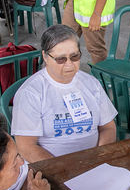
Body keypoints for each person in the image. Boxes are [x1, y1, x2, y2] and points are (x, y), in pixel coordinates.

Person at [11, 25, 117, 162]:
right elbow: (26, 147)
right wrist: (64, 169)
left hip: (94, 162)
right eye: (61, 59)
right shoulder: (31, 93)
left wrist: (98, 158)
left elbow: (108, 127)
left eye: (74, 56)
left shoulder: (92, 84)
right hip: (51, 167)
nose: (69, 64)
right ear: (45, 56)